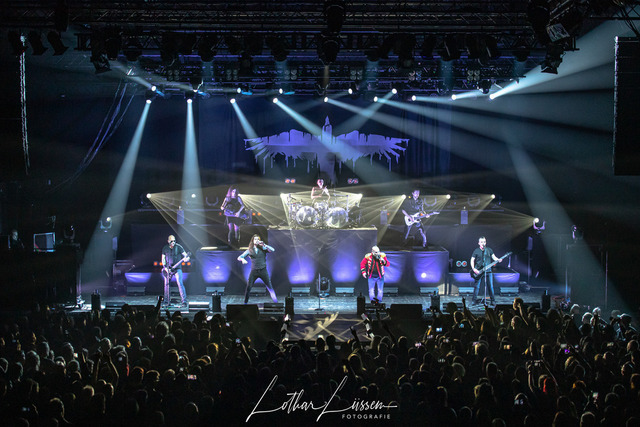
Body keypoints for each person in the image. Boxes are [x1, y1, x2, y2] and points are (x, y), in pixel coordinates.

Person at [238, 234, 277, 304]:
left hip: (263, 271)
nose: (257, 240)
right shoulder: (249, 250)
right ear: (252, 241)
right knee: (248, 288)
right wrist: (242, 259)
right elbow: (239, 257)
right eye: (255, 239)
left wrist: (264, 245)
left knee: (270, 288)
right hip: (254, 272)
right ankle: (245, 303)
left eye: (258, 239)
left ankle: (276, 303)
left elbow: (273, 250)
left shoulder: (263, 248)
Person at [470, 236, 503, 305]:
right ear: (479, 243)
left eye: (484, 242)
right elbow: (472, 260)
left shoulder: (489, 250)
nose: (483, 243)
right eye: (481, 242)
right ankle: (474, 300)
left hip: (488, 271)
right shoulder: (476, 251)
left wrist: (498, 259)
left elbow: (494, 257)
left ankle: (493, 300)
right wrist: (474, 269)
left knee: (490, 286)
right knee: (476, 287)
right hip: (478, 271)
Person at [161, 235, 190, 308]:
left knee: (180, 284)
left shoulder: (179, 247)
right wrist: (165, 268)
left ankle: (184, 301)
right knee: (166, 285)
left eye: (174, 241)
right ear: (168, 241)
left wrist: (186, 259)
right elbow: (163, 259)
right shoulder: (165, 248)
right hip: (168, 269)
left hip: (177, 269)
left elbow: (186, 256)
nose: (173, 242)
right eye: (171, 241)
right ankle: (166, 301)